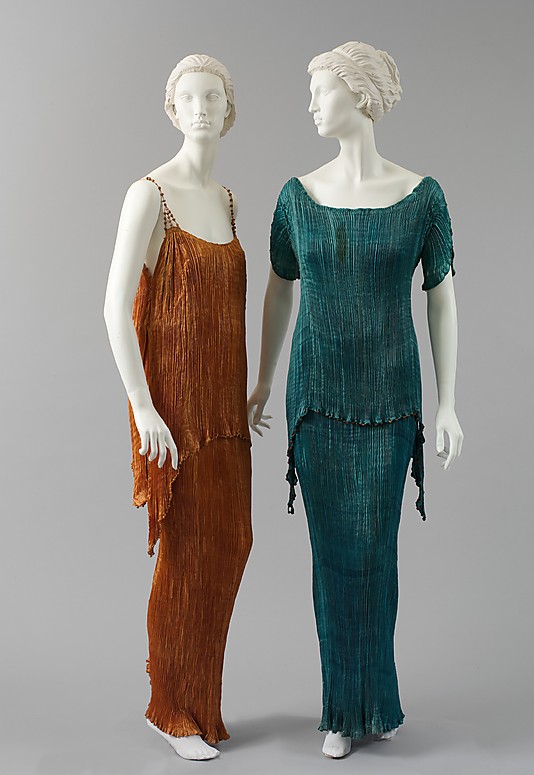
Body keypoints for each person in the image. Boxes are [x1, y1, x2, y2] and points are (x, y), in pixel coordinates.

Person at [247, 41, 463, 759]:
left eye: (321, 89)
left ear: (360, 94)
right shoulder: (296, 198)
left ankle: (377, 699)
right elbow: (279, 291)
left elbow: (441, 298)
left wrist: (449, 402)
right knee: (333, 556)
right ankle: (343, 709)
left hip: (391, 400)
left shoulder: (421, 197)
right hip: (317, 401)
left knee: (377, 552)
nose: (310, 103)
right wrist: (262, 380)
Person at [104, 54, 252, 761]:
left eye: (212, 97)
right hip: (174, 408)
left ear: (228, 110)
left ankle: (202, 700)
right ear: (172, 109)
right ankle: (170, 707)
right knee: (186, 550)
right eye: (188, 97)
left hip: (227, 407)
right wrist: (143, 405)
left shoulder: (226, 200)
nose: (200, 108)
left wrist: (249, 393)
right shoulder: (149, 195)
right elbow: (113, 308)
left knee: (230, 544)